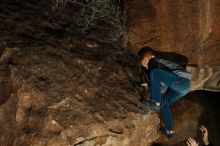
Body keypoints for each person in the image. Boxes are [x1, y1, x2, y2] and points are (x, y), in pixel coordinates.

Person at [138, 46, 192, 139]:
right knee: (164, 103)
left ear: (152, 57)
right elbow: (163, 85)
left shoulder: (157, 61)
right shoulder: (158, 66)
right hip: (181, 88)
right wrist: (150, 84)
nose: (147, 67)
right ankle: (169, 131)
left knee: (154, 73)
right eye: (145, 67)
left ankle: (155, 103)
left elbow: (161, 85)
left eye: (146, 63)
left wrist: (152, 85)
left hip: (182, 82)